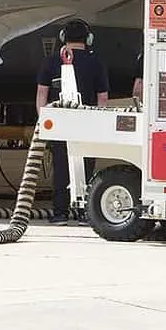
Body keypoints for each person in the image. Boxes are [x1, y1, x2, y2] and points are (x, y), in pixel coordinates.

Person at [35, 18, 109, 224]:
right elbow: (102, 97)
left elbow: (41, 95)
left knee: (60, 167)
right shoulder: (96, 62)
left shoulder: (50, 61)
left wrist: (43, 120)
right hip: (88, 122)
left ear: (62, 38)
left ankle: (60, 213)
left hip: (59, 122)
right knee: (86, 168)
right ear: (89, 39)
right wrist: (99, 123)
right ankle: (85, 213)